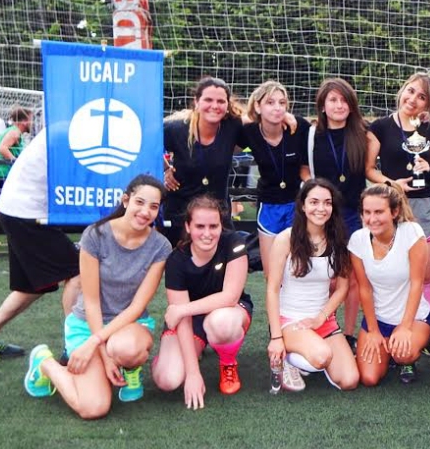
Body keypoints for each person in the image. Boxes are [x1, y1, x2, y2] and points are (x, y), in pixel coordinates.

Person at [22, 175, 172, 418]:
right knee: (94, 408)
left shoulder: (160, 246)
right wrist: (100, 350)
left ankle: (128, 369)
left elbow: (137, 307)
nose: (145, 211)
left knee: (129, 347)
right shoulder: (95, 235)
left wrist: (96, 345)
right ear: (126, 200)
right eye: (140, 202)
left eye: (153, 207)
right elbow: (91, 302)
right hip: (88, 326)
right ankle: (44, 363)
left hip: (128, 326)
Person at [0, 131, 82, 361]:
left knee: (32, 287)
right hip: (27, 212)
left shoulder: (67, 121)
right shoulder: (73, 128)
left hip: (16, 208)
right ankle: (74, 348)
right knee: (78, 271)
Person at [162, 77, 294, 247]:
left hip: (218, 217)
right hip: (181, 215)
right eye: (208, 100)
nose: (214, 106)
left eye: (220, 101)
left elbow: (260, 119)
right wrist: (165, 169)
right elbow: (146, 144)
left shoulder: (232, 127)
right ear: (196, 101)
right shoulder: (176, 129)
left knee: (226, 264)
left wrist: (284, 116)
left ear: (227, 105)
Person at [152, 195, 252, 403]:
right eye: (200, 226)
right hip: (190, 319)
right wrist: (192, 373)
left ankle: (227, 362)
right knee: (167, 380)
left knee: (221, 322)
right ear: (188, 227)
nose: (207, 234)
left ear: (221, 226)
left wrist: (183, 309)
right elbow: (182, 319)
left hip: (228, 311)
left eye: (213, 226)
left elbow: (230, 297)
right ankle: (168, 357)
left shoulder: (234, 243)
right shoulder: (176, 260)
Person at [266, 179, 359, 391]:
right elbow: (272, 289)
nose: (321, 208)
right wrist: (276, 336)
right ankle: (288, 359)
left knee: (350, 381)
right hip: (290, 320)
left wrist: (320, 317)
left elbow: (343, 288)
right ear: (303, 205)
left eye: (327, 203)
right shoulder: (285, 239)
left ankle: (311, 354)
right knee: (321, 356)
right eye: (314, 202)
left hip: (322, 320)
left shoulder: (338, 240)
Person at [367, 72, 430, 315]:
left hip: (426, 205)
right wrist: (393, 184)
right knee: (393, 269)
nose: (413, 99)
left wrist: (429, 172)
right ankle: (393, 318)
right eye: (410, 91)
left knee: (423, 273)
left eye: (421, 96)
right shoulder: (380, 127)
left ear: (427, 104)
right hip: (392, 205)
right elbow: (368, 168)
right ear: (402, 91)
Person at [304, 77, 368, 349]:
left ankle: (349, 333)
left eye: (344, 100)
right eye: (332, 99)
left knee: (351, 278)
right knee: (324, 278)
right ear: (322, 105)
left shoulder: (364, 133)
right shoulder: (309, 134)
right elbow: (303, 169)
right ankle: (321, 326)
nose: (338, 105)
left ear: (351, 105)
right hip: (323, 214)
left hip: (353, 214)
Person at [349, 182, 430, 386]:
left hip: (413, 319)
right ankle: (386, 346)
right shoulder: (358, 240)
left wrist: (404, 327)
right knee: (369, 379)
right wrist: (373, 330)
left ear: (394, 211)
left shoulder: (411, 233)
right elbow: (364, 288)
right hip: (378, 320)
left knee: (403, 355)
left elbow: (416, 283)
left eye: (379, 211)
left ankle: (408, 357)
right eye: (367, 212)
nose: (372, 219)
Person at [240, 81, 310, 275]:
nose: (277, 108)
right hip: (268, 205)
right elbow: (232, 121)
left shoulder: (299, 127)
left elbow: (307, 166)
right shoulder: (249, 131)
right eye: (270, 102)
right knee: (272, 272)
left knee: (297, 268)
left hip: (297, 204)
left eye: (282, 103)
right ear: (257, 105)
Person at [0, 107, 33, 189]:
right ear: (24, 122)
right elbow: (2, 148)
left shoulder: (11, 131)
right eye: (30, 120)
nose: (32, 123)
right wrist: (17, 163)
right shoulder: (15, 132)